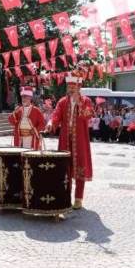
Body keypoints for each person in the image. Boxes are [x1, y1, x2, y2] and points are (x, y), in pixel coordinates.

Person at [45, 67, 94, 210]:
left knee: (80, 168)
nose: (71, 89)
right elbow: (56, 115)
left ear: (79, 87)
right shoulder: (62, 102)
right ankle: (65, 196)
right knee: (64, 168)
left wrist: (79, 102)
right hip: (65, 139)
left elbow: (88, 115)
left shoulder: (86, 101)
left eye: (74, 87)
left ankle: (78, 199)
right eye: (69, 87)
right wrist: (50, 124)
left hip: (80, 140)